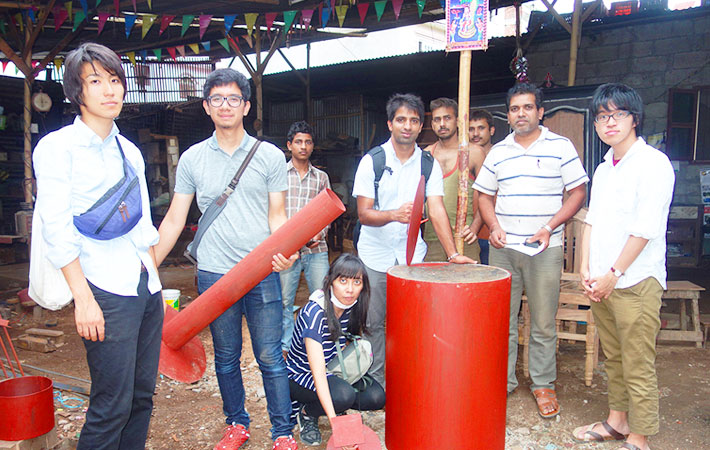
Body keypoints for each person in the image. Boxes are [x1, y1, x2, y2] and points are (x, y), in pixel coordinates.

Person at [154, 68, 299, 450]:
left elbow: (277, 215)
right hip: (215, 273)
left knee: (270, 355)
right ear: (206, 107)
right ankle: (237, 424)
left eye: (233, 98)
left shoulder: (269, 156)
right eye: (216, 99)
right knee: (227, 356)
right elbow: (175, 217)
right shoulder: (192, 159)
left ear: (246, 106)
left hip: (261, 270)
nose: (225, 106)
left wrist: (289, 248)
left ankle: (283, 432)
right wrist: (149, 260)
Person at [33, 42, 163, 449]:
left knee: (141, 397)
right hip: (103, 289)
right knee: (111, 405)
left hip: (145, 286)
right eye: (95, 81)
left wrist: (155, 280)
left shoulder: (131, 151)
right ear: (77, 91)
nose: (109, 90)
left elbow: (143, 226)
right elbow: (56, 227)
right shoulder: (57, 149)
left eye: (114, 80)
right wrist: (83, 298)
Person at [473, 83, 588, 418]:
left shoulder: (560, 147)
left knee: (541, 322)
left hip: (544, 247)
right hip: (503, 249)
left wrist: (550, 227)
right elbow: (484, 195)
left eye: (527, 107)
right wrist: (493, 226)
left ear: (540, 112)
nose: (520, 114)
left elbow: (578, 192)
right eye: (513, 108)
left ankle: (542, 384)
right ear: (507, 115)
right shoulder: (498, 152)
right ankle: (502, 381)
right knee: (501, 322)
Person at [573, 83, 674, 450]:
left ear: (635, 118)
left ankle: (639, 435)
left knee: (637, 360)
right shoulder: (604, 168)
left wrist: (613, 275)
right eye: (602, 116)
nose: (608, 122)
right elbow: (592, 220)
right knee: (613, 355)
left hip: (635, 280)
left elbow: (645, 229)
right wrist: (586, 268)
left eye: (617, 114)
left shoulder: (653, 164)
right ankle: (617, 421)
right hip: (601, 281)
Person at [352, 93, 475, 388]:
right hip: (375, 256)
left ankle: (408, 376)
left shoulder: (427, 164)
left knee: (411, 322)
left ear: (422, 127)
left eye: (414, 121)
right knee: (373, 322)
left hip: (412, 258)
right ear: (390, 124)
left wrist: (452, 253)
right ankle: (378, 382)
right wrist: (394, 215)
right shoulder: (372, 161)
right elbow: (364, 214)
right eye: (401, 120)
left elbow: (436, 209)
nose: (407, 126)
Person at [286, 253, 386, 447]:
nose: (350, 289)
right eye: (343, 281)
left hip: (332, 369)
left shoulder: (352, 306)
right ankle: (307, 413)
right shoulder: (315, 314)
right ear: (329, 282)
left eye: (356, 282)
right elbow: (318, 375)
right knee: (343, 396)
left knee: (376, 396)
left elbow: (346, 343)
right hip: (301, 376)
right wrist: (336, 423)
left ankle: (332, 402)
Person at [280, 121, 331, 357]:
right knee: (284, 300)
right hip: (286, 251)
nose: (303, 146)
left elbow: (328, 210)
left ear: (313, 146)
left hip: (315, 248)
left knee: (322, 297)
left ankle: (319, 342)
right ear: (289, 145)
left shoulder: (321, 177)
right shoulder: (279, 175)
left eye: (308, 142)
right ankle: (287, 346)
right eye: (298, 142)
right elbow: (271, 209)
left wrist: (320, 232)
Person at [422, 98, 485, 262]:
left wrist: (475, 227)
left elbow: (488, 194)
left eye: (447, 118)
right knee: (434, 286)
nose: (442, 124)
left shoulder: (474, 152)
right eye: (437, 119)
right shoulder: (426, 154)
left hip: (464, 238)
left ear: (457, 121)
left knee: (467, 286)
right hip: (432, 238)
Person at [461, 109, 496, 264]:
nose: (475, 134)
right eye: (471, 129)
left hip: (495, 233)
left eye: (481, 128)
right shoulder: (463, 158)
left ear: (492, 130)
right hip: (469, 233)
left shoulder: (500, 155)